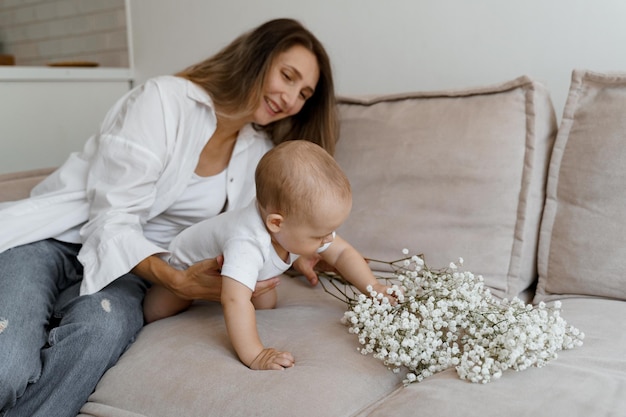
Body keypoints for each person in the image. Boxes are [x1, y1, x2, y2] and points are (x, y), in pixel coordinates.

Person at [0, 18, 337, 417]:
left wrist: (301, 252)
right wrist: (179, 281)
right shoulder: (164, 100)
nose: (292, 99)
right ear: (256, 58)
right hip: (54, 240)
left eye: (304, 93)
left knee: (99, 334)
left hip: (135, 271)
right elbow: (111, 219)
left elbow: (260, 229)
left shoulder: (260, 154)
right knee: (8, 369)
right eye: (287, 76)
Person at [143, 140, 395, 370]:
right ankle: (152, 299)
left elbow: (341, 254)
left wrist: (373, 287)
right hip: (184, 268)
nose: (328, 240)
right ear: (276, 223)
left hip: (244, 270)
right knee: (157, 311)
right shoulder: (247, 243)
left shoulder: (295, 225)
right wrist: (255, 354)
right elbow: (234, 301)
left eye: (331, 231)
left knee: (266, 302)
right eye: (320, 235)